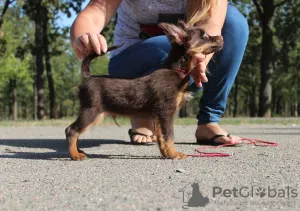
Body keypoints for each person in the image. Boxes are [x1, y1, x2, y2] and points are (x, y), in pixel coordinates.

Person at [70, 0, 249, 145]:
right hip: (129, 67)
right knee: (166, 45)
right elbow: (95, 13)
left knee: (235, 22)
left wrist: (198, 62)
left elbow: (212, 25)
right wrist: (84, 36)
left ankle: (209, 120)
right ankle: (141, 115)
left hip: (185, 69)